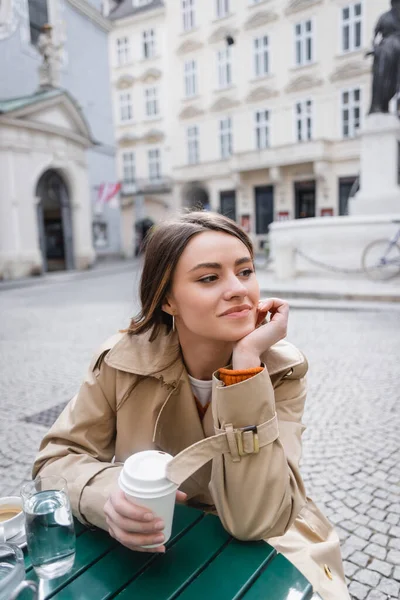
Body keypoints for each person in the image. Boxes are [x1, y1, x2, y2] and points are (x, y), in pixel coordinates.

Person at [33, 211, 350, 600]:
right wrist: (106, 495)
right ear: (167, 300)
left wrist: (246, 365)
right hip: (153, 539)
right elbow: (56, 459)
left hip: (273, 539)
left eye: (245, 271)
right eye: (209, 278)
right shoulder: (120, 362)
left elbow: (257, 519)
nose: (238, 289)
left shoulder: (282, 370)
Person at [368, 0, 400, 114]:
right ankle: (380, 104)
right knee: (381, 77)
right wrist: (374, 48)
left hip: (390, 49)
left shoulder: (387, 16)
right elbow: (375, 35)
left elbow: (374, 36)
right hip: (386, 50)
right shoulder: (385, 17)